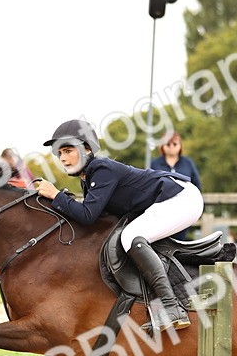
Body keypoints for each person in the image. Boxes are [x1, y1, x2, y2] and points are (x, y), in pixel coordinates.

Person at [34, 118, 203, 331]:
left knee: (130, 237)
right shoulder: (89, 177)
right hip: (172, 199)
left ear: (86, 148)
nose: (63, 158)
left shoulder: (101, 168)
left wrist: (57, 195)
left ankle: (171, 308)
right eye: (59, 154)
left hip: (181, 198)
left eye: (68, 151)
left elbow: (87, 215)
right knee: (128, 237)